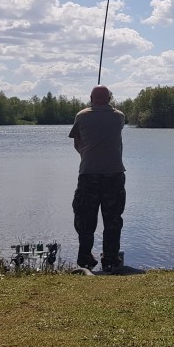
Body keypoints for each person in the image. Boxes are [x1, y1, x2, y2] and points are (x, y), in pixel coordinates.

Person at [68, 85, 126, 272]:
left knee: (85, 218)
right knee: (113, 219)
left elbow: (77, 143)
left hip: (88, 174)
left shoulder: (81, 116)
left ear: (91, 98)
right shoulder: (119, 117)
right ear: (109, 98)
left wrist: (86, 155)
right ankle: (110, 259)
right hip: (114, 174)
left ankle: (85, 258)